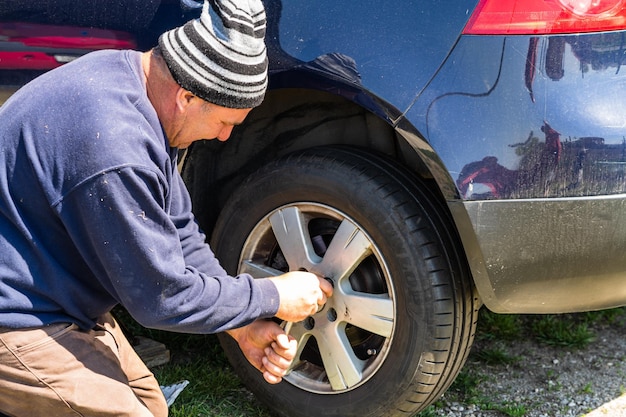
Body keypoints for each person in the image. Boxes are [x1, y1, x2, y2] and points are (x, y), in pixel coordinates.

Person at [0, 0, 333, 416]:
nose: (226, 137)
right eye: (225, 122)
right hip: (15, 314)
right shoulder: (116, 148)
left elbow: (178, 230)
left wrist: (243, 326)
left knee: (151, 407)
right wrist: (271, 295)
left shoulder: (135, 86)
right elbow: (162, 298)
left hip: (52, 295)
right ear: (187, 96)